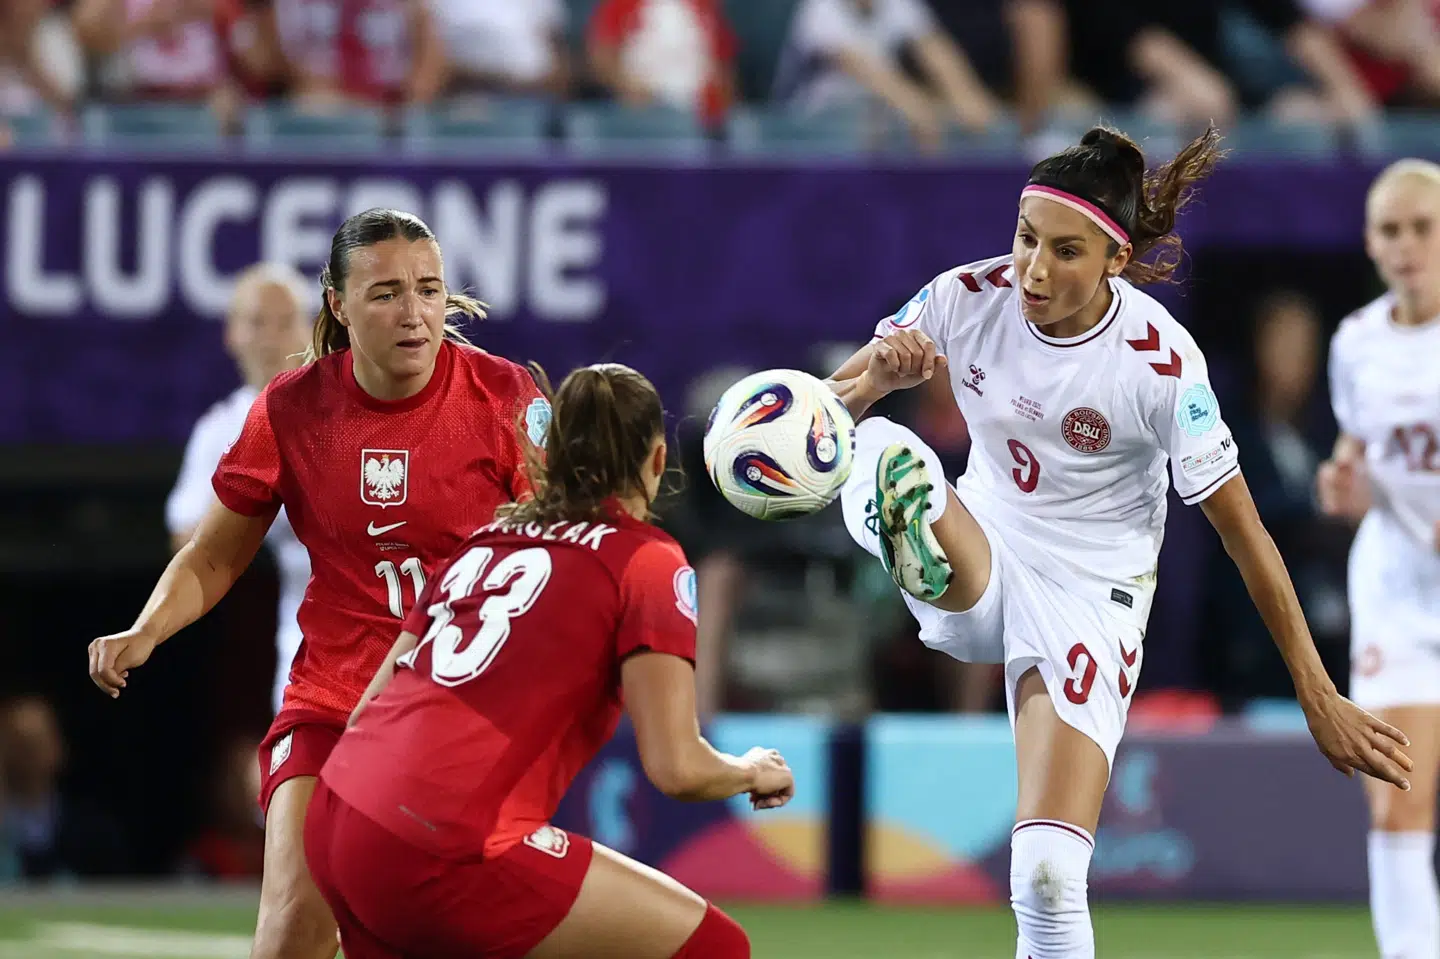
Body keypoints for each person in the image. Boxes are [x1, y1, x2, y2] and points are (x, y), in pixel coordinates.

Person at [824, 126, 1413, 958]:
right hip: (984, 550)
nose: (1033, 268)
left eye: (1066, 251)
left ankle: (908, 532)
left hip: (1091, 598)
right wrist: (878, 381)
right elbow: (823, 417)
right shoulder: (963, 296)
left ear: (1114, 258)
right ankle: (907, 533)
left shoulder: (1161, 365)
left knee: (1048, 881)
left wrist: (1316, 692)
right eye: (1027, 237)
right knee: (885, 450)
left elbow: (1248, 541)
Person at [88, 207, 548, 959]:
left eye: (429, 290)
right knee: (287, 938)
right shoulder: (292, 408)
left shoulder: (504, 398)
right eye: (388, 292)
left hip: (466, 711)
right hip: (331, 703)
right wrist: (146, 629)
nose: (415, 313)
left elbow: (577, 529)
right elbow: (213, 555)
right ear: (337, 303)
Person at [307, 362, 792, 959]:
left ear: (549, 450)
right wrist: (752, 770)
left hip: (338, 813)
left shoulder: (480, 547)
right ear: (659, 460)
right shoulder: (646, 562)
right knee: (714, 947)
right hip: (444, 840)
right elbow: (677, 768)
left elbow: (365, 712)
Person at [1318, 158, 1440, 959]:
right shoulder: (1356, 342)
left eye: (1422, 228)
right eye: (1390, 230)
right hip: (1399, 585)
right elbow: (1353, 453)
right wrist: (1341, 483)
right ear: (1369, 242)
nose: (1406, 246)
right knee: (1398, 803)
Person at [167, 263, 313, 717]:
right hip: (310, 642)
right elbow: (189, 544)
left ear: (310, 330)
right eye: (257, 321)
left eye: (285, 321)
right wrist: (253, 498)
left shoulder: (354, 400)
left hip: (409, 625)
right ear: (231, 333)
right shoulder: (222, 430)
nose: (271, 337)